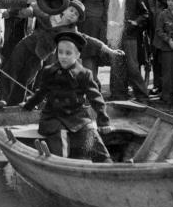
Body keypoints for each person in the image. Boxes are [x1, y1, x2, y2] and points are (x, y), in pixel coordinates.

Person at [22, 27, 112, 161]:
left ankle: (107, 165)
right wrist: (28, 105)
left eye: (68, 53)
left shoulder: (84, 74)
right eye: (60, 52)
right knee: (60, 140)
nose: (63, 56)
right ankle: (63, 165)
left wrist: (103, 120)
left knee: (91, 137)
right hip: (53, 117)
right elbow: (41, 93)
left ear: (77, 55)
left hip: (77, 117)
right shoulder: (49, 71)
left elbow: (96, 98)